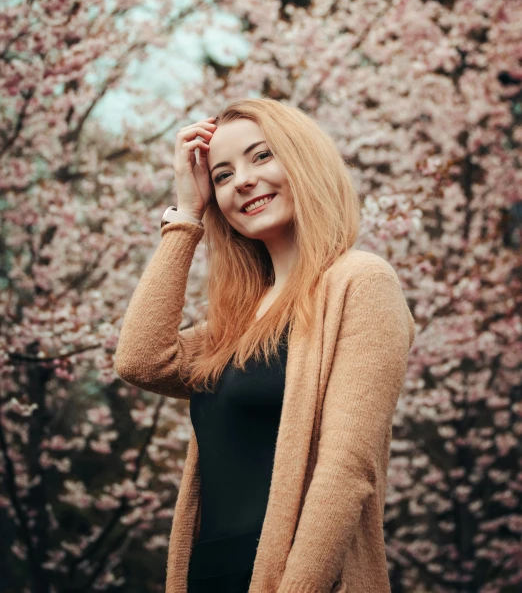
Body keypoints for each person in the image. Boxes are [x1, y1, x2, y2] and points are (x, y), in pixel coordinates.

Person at [114, 97, 416, 593]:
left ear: (303, 160)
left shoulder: (360, 283)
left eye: (261, 156)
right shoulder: (237, 321)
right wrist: (186, 216)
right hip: (205, 577)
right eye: (223, 176)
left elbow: (347, 469)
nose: (243, 181)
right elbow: (141, 360)